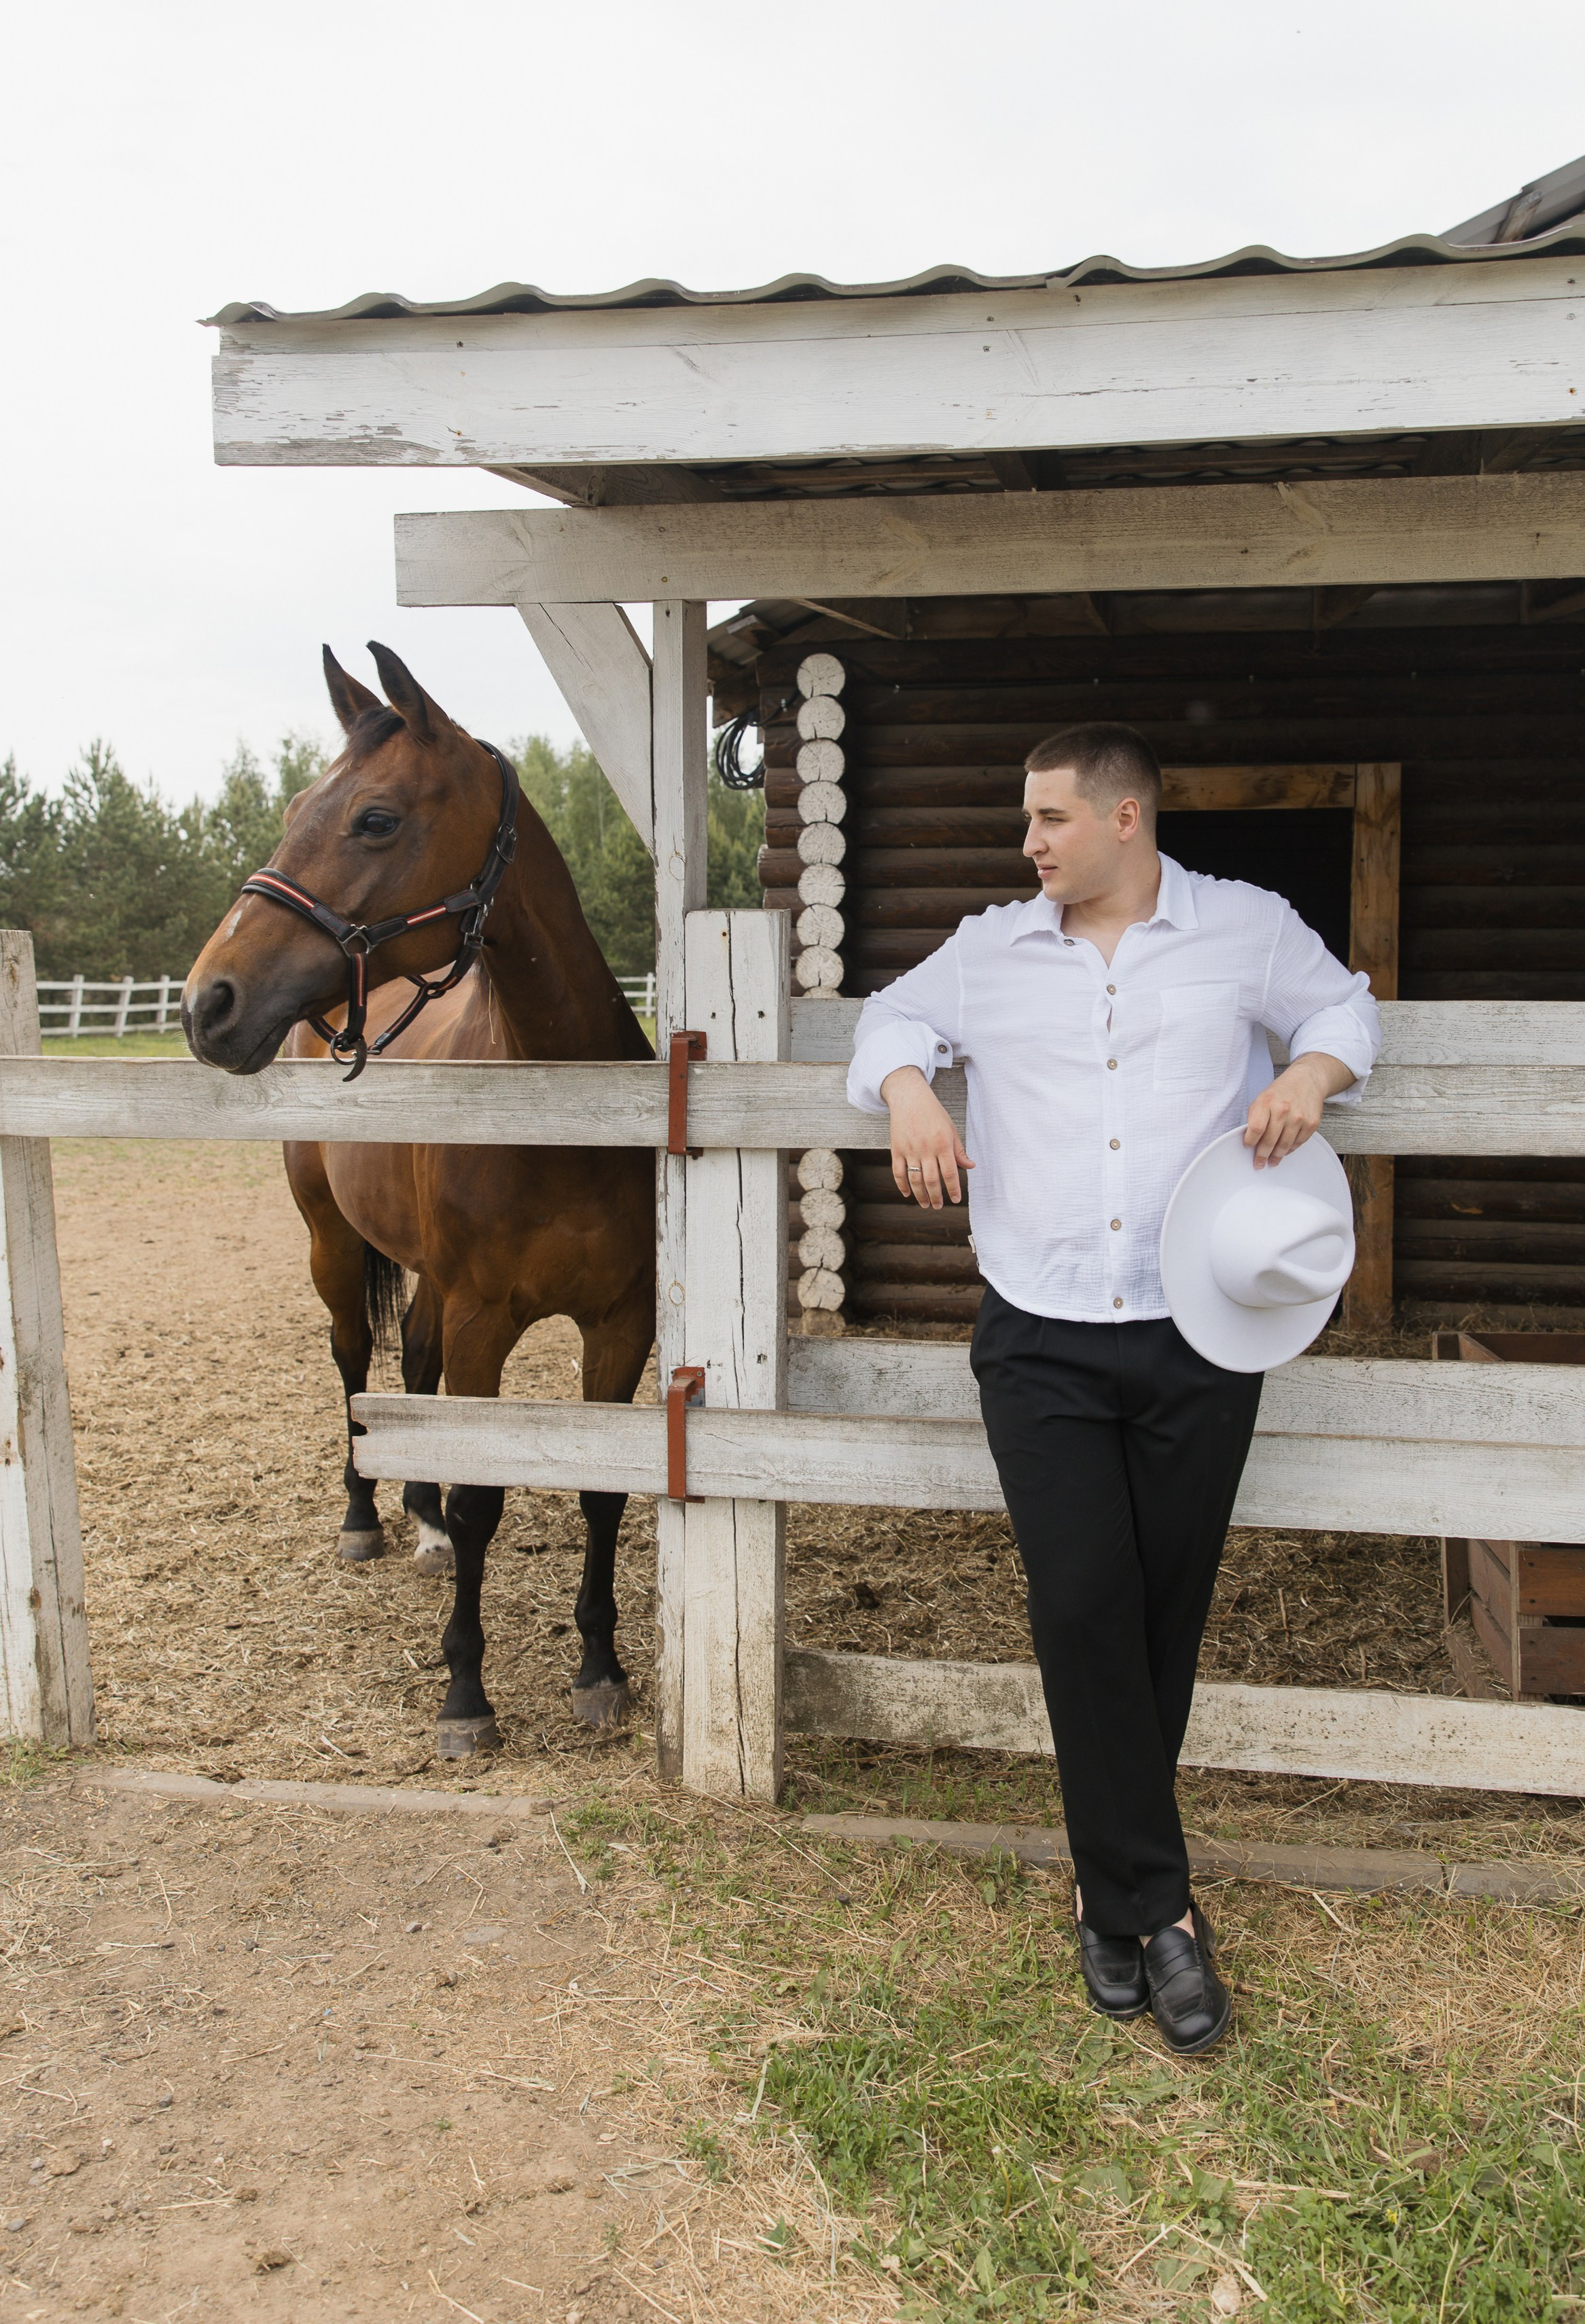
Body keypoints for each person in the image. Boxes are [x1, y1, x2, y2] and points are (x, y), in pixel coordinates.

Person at [847, 722, 1381, 2054]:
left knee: (1158, 1614)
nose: (1028, 844)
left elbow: (1343, 1005)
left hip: (1203, 1333)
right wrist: (911, 1088)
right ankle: (1169, 1913)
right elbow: (886, 1018)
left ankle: (1107, 1894)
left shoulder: (1243, 928)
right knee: (1082, 1599)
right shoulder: (992, 948)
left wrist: (1312, 1072)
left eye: (1048, 820)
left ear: (1125, 820)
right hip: (1039, 1332)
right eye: (1027, 823)